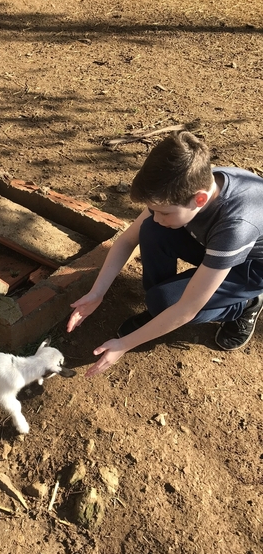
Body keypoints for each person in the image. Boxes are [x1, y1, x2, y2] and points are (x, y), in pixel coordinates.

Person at [67, 131, 263, 376]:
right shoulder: (191, 181)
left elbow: (187, 308)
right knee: (150, 230)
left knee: (167, 303)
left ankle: (244, 305)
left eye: (165, 212)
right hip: (216, 244)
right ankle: (158, 313)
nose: (158, 217)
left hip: (252, 267)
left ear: (200, 199)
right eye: (152, 209)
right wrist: (97, 293)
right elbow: (127, 240)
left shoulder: (236, 226)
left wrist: (125, 345)